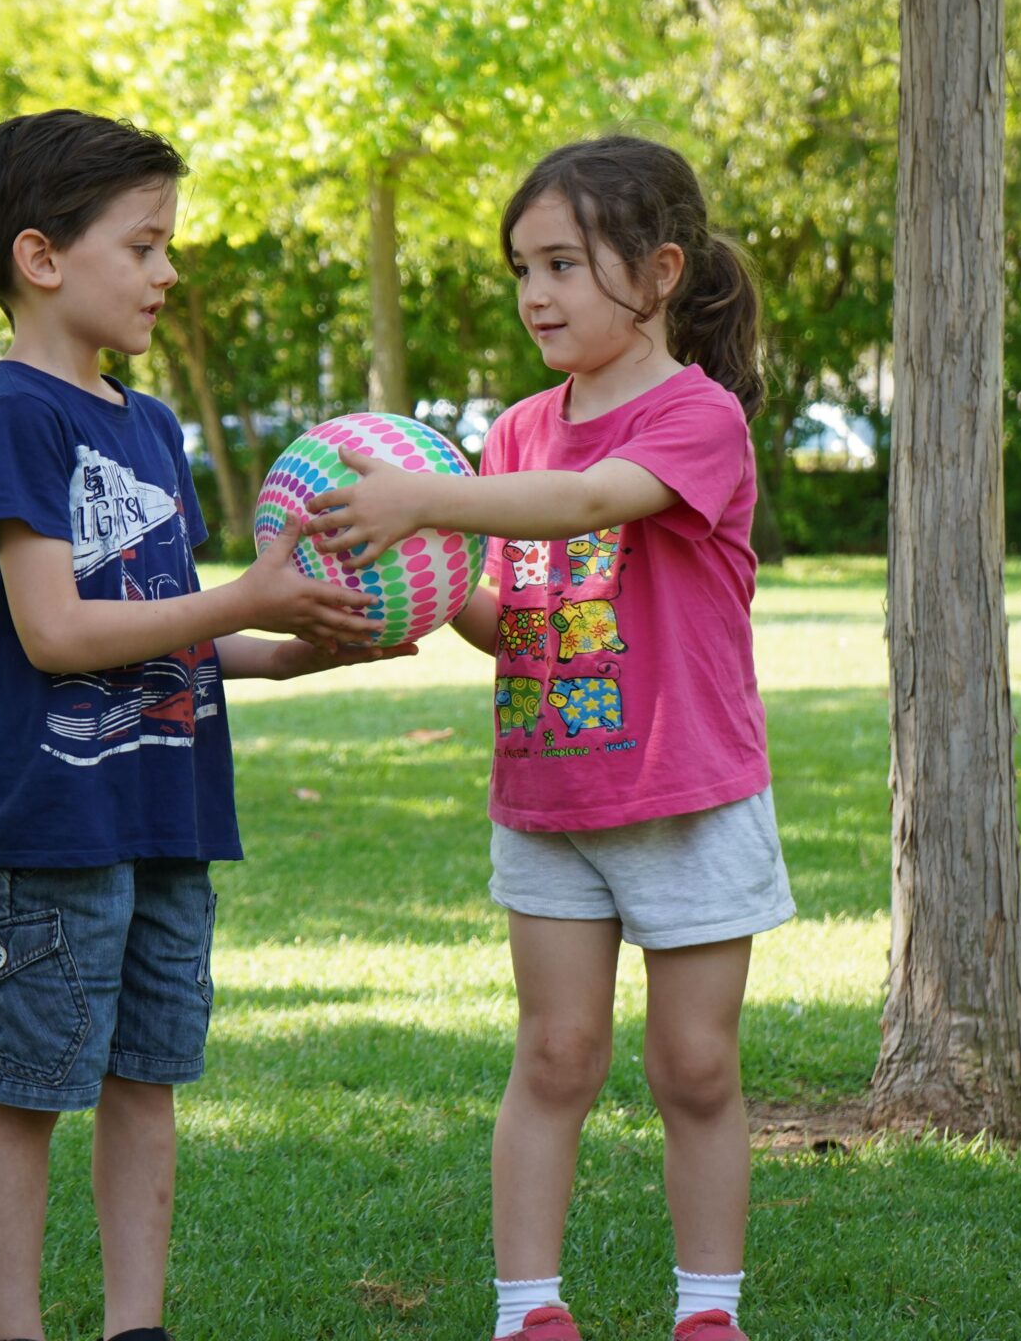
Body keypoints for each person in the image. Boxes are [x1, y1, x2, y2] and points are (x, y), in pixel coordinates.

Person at [309, 135, 790, 1341]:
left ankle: (708, 1313)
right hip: (551, 802)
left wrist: (425, 498)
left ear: (660, 271)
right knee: (555, 1056)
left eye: (564, 264)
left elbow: (587, 503)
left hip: (687, 796)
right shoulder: (518, 432)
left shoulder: (698, 417)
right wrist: (414, 596)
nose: (535, 293)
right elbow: (519, 616)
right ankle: (529, 1312)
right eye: (522, 268)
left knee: (694, 1066)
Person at [0, 108, 407, 1341]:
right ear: (43, 257)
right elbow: (55, 630)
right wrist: (247, 596)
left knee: (146, 1079)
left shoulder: (148, 424)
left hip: (167, 811)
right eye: (143, 246)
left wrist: (293, 649)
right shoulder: (20, 415)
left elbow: (167, 621)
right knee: (25, 1090)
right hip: (52, 821)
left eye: (167, 246)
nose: (167, 271)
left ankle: (134, 1326)